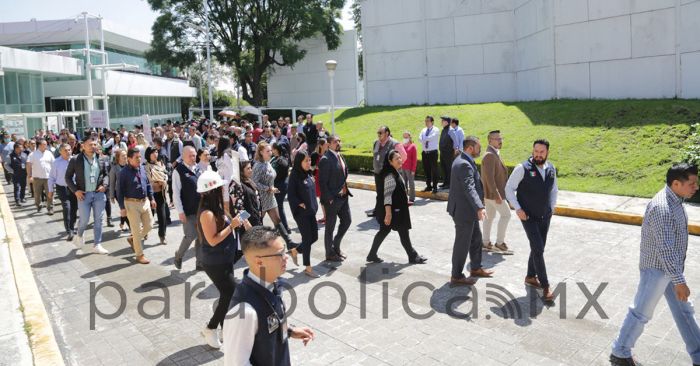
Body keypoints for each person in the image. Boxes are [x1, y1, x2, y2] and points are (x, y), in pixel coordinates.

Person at [610, 164, 700, 366]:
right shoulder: (662, 207)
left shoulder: (676, 200)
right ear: (676, 184)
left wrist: (677, 277)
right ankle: (620, 352)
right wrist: (679, 281)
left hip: (671, 270)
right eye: (692, 183)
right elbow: (665, 249)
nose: (696, 187)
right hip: (657, 270)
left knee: (685, 312)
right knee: (641, 312)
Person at [223, 226, 315, 365]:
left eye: (285, 251)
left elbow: (268, 321)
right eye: (280, 254)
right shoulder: (245, 311)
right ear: (259, 261)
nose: (286, 257)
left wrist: (289, 331)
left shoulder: (273, 283)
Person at [197, 170, 250, 349]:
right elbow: (212, 240)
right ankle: (210, 327)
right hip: (214, 261)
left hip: (224, 258)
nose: (223, 189)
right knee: (231, 292)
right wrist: (232, 226)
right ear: (213, 190)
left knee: (227, 293)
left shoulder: (217, 208)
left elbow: (227, 225)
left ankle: (224, 328)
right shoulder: (207, 214)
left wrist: (237, 220)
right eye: (220, 187)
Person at [505, 139, 559, 301]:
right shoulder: (522, 168)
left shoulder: (551, 169)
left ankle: (530, 276)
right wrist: (518, 208)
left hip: (545, 215)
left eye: (542, 152)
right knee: (539, 248)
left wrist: (552, 207)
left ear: (547, 152)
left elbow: (554, 189)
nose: (538, 154)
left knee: (538, 248)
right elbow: (508, 188)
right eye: (536, 151)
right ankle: (546, 286)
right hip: (528, 216)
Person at [447, 136, 493, 286]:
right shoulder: (464, 164)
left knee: (475, 240)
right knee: (462, 244)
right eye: (478, 147)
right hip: (463, 211)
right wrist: (479, 206)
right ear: (470, 148)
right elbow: (469, 187)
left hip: (467, 210)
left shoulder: (462, 160)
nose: (480, 149)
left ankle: (475, 268)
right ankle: (456, 276)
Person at [367, 150, 427, 264]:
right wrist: (388, 214)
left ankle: (372, 254)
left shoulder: (395, 172)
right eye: (396, 159)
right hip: (394, 211)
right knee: (402, 231)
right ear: (390, 162)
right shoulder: (390, 175)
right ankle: (412, 256)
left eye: (400, 158)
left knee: (387, 231)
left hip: (398, 210)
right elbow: (387, 196)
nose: (400, 160)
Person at [65, 138, 110, 254]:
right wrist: (75, 191)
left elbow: (106, 174)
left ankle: (97, 244)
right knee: (84, 220)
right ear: (83, 146)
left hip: (98, 194)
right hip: (84, 195)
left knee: (99, 220)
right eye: (90, 144)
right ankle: (79, 235)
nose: (92, 146)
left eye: (94, 144)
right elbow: (68, 177)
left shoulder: (101, 158)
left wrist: (105, 185)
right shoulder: (76, 160)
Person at [253, 142, 298, 250]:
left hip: (270, 197)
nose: (270, 153)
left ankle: (289, 242)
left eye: (270, 150)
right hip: (261, 198)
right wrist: (268, 188)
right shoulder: (258, 165)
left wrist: (272, 187)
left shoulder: (268, 163)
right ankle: (253, 246)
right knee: (258, 223)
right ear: (261, 152)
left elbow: (270, 177)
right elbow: (254, 182)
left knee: (277, 220)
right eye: (267, 151)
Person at [117, 148, 155, 264]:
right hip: (131, 204)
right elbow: (119, 191)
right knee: (136, 230)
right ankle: (139, 255)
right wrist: (122, 208)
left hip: (145, 202)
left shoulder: (142, 168)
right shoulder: (123, 173)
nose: (139, 159)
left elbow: (148, 184)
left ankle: (133, 239)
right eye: (136, 157)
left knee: (149, 225)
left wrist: (152, 198)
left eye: (140, 157)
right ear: (129, 159)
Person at [318, 135, 352, 262]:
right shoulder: (325, 159)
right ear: (328, 144)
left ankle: (336, 245)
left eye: (339, 140)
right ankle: (329, 253)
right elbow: (322, 182)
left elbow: (344, 174)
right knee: (330, 227)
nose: (338, 143)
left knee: (347, 221)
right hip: (332, 199)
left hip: (343, 197)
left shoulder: (340, 156)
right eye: (335, 141)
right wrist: (329, 198)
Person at [287, 151, 321, 278]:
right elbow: (290, 195)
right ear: (299, 162)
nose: (309, 163)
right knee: (307, 239)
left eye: (310, 160)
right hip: (301, 213)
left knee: (314, 237)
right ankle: (308, 268)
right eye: (306, 161)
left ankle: (295, 250)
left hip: (311, 211)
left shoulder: (308, 173)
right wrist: (299, 203)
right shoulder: (294, 176)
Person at [480, 130, 512, 254]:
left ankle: (485, 242)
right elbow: (489, 178)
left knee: (489, 217)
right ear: (489, 140)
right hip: (494, 195)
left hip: (490, 195)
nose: (500, 140)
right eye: (497, 138)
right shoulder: (490, 155)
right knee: (506, 215)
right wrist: (497, 194)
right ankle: (499, 243)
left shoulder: (494, 153)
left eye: (500, 138)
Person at [173, 146, 203, 270]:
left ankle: (199, 263)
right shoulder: (178, 171)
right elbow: (176, 192)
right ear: (184, 156)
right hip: (188, 210)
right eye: (190, 155)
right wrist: (180, 212)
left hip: (201, 209)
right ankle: (178, 256)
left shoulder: (198, 169)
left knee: (201, 236)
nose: (193, 157)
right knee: (190, 235)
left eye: (194, 155)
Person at [369, 126, 407, 218]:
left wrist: (395, 167)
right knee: (379, 193)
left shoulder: (395, 144)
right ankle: (378, 211)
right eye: (378, 133)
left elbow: (404, 157)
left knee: (390, 194)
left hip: (389, 174)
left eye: (380, 133)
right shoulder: (376, 143)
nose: (378, 135)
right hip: (378, 173)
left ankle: (392, 213)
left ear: (387, 133)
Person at [48, 144, 77, 240]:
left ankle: (72, 227)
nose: (68, 152)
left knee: (74, 209)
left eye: (69, 150)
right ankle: (69, 231)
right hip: (62, 188)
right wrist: (50, 190)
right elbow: (51, 177)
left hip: (73, 188)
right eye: (66, 150)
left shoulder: (74, 160)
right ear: (60, 151)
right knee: (67, 208)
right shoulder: (56, 162)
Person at [145, 147, 169, 245]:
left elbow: (166, 175)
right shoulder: (146, 166)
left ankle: (162, 236)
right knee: (149, 217)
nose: (155, 154)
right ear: (148, 154)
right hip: (151, 195)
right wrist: (157, 182)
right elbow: (148, 180)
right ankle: (145, 232)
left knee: (162, 216)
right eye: (153, 152)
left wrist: (164, 181)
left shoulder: (161, 164)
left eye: (156, 152)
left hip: (161, 194)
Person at [27, 139, 55, 214]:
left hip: (48, 178)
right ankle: (38, 205)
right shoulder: (32, 154)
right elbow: (29, 165)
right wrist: (29, 176)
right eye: (44, 144)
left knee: (50, 193)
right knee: (37, 194)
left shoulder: (49, 153)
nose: (46, 146)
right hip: (37, 178)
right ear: (39, 145)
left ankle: (50, 208)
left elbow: (54, 164)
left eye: (46, 144)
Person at [109, 149, 130, 232]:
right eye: (123, 155)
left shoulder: (129, 165)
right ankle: (132, 229)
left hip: (130, 191)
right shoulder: (114, 168)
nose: (125, 157)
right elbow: (112, 183)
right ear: (118, 158)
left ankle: (122, 223)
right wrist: (112, 196)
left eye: (126, 155)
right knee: (124, 209)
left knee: (126, 210)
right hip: (119, 193)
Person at [271, 143, 290, 232]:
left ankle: (284, 227)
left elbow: (275, 174)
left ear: (276, 149)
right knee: (279, 207)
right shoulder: (278, 159)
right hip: (281, 185)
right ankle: (284, 227)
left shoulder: (280, 160)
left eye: (272, 149)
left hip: (279, 185)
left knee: (279, 207)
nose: (271, 151)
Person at [418, 116, 440, 193]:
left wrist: (424, 139)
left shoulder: (436, 129)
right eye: (425, 121)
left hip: (432, 152)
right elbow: (419, 138)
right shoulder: (423, 130)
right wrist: (424, 139)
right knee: (426, 169)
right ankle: (428, 186)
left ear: (432, 122)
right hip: (425, 153)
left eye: (428, 121)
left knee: (434, 170)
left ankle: (435, 187)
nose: (426, 122)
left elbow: (431, 137)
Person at [310, 138, 328, 224]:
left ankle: (326, 216)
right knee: (319, 198)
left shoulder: (327, 153)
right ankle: (325, 217)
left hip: (325, 178)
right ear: (321, 145)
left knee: (324, 198)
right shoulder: (314, 155)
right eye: (325, 144)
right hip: (316, 178)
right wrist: (317, 168)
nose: (327, 145)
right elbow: (310, 167)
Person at [240, 160, 263, 226]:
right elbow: (238, 208)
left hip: (256, 218)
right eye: (248, 168)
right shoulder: (239, 186)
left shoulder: (249, 181)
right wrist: (246, 222)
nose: (251, 170)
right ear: (241, 171)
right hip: (249, 223)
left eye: (250, 168)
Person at [9, 139, 27, 207]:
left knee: (23, 186)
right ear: (16, 148)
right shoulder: (10, 155)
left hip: (23, 173)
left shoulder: (24, 154)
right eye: (21, 147)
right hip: (16, 174)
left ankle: (22, 197)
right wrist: (12, 171)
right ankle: (17, 200)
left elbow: (26, 163)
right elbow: (6, 165)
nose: (22, 148)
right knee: (17, 187)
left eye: (22, 147)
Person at [401, 131, 417, 204]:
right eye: (404, 137)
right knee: (404, 184)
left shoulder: (413, 146)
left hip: (410, 168)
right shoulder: (402, 145)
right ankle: (404, 197)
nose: (405, 138)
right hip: (403, 167)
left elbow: (414, 159)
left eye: (406, 137)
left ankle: (412, 198)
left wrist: (413, 170)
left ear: (409, 137)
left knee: (411, 184)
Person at [439, 116, 455, 190]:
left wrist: (454, 150)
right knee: (444, 168)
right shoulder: (444, 130)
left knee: (448, 169)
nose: (441, 122)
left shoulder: (451, 130)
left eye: (442, 120)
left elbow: (455, 141)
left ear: (446, 122)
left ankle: (449, 184)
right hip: (443, 153)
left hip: (448, 153)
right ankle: (445, 182)